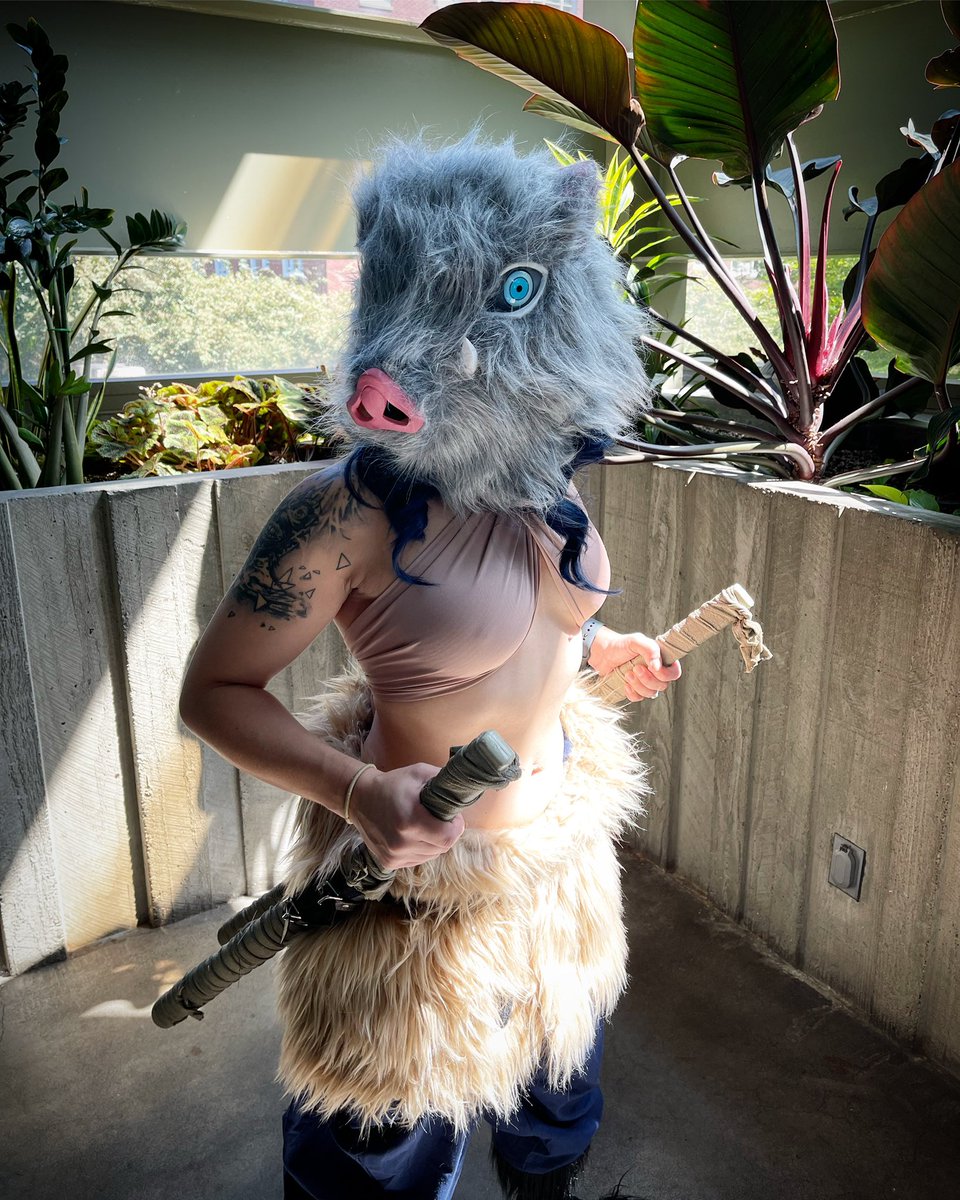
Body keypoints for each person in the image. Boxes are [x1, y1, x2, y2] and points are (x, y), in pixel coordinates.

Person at [178, 134, 680, 1200]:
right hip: (412, 906)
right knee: (378, 1159)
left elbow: (540, 627)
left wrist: (604, 647)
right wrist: (356, 790)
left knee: (555, 1110)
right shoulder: (343, 514)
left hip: (560, 871)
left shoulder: (544, 481)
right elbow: (213, 692)